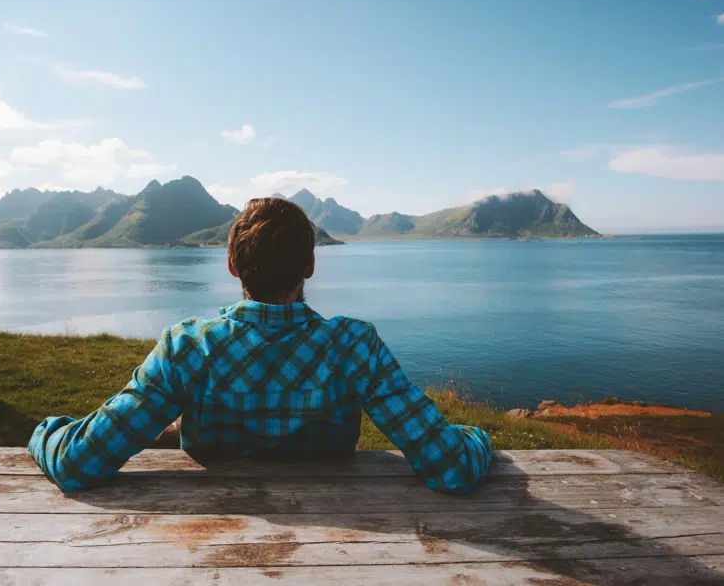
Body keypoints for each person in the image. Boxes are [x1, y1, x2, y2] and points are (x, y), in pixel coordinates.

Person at [29, 198, 492, 492]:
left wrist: (46, 430)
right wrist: (477, 437)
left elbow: (75, 464)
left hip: (209, 545)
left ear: (232, 266)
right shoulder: (356, 346)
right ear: (309, 266)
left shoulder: (187, 347)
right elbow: (452, 467)